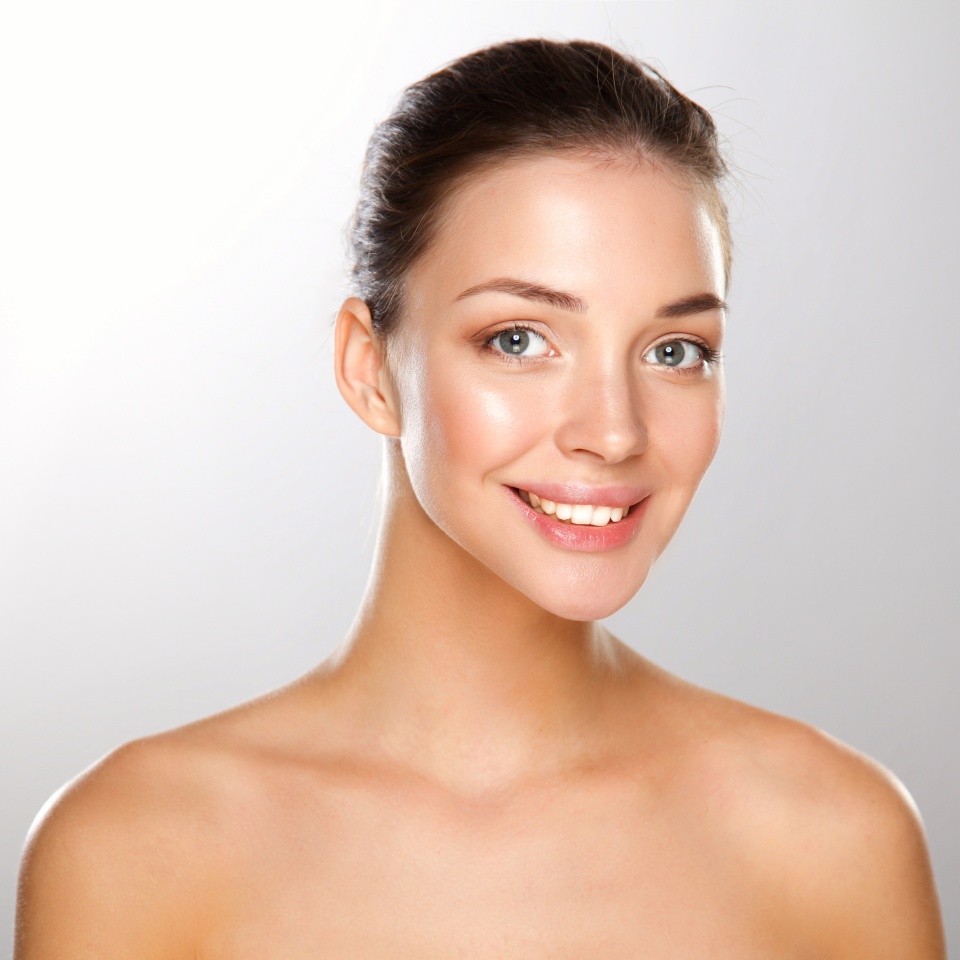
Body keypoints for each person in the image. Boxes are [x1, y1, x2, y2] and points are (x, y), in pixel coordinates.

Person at [15, 38, 946, 957]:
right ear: (371, 367)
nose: (613, 431)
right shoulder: (134, 850)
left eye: (675, 350)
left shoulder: (833, 840)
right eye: (518, 339)